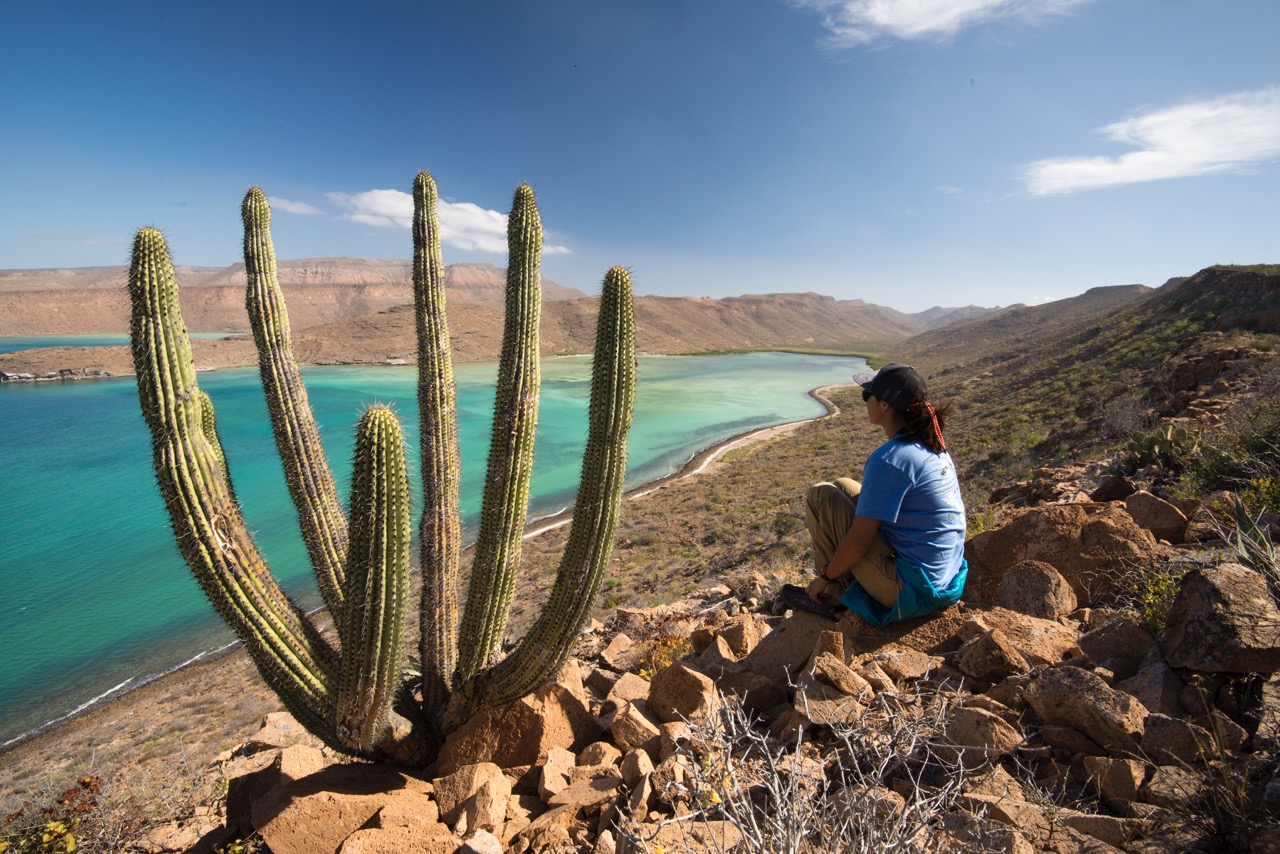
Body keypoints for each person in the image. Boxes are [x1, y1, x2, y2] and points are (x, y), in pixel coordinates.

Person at [788, 363, 967, 626]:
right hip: (943, 580)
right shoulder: (930, 443)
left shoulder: (892, 459)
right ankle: (844, 587)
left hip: (912, 592)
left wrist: (824, 576)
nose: (865, 402)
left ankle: (831, 594)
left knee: (821, 496)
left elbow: (859, 542)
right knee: (844, 485)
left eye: (867, 395)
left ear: (884, 405)